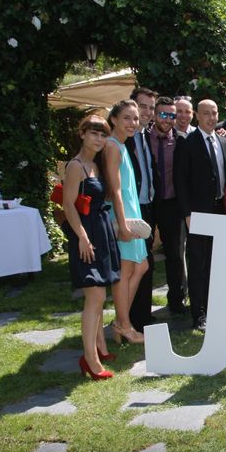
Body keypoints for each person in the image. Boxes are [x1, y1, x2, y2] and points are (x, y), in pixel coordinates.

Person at [63, 115, 120, 380]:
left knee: (100, 294)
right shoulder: (75, 166)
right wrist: (83, 238)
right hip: (86, 234)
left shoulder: (95, 164)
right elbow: (68, 206)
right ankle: (90, 360)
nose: (99, 139)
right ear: (82, 133)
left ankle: (100, 347)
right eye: (94, 133)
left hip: (101, 230)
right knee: (95, 297)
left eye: (103, 135)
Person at [174, 99, 226, 330]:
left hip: (220, 210)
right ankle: (199, 314)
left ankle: (215, 307)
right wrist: (187, 213)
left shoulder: (223, 141)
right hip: (197, 212)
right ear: (197, 115)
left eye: (215, 113)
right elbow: (180, 181)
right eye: (206, 113)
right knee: (197, 263)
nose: (211, 117)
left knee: (216, 262)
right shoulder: (187, 143)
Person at [104, 99, 148, 344]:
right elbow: (116, 190)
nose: (133, 123)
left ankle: (120, 322)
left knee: (140, 266)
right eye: (127, 118)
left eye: (135, 118)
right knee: (126, 270)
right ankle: (125, 325)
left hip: (132, 213)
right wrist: (122, 224)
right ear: (114, 120)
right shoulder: (112, 146)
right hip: (123, 215)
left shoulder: (120, 145)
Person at [146, 97, 188, 315]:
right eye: (163, 114)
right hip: (149, 203)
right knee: (145, 254)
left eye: (172, 115)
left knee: (174, 254)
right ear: (155, 115)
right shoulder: (143, 139)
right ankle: (143, 304)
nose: (168, 119)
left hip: (172, 203)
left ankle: (176, 299)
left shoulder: (181, 141)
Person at [125, 86, 158, 333]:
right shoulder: (123, 139)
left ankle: (142, 317)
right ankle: (128, 321)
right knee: (132, 265)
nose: (147, 112)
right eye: (143, 106)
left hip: (147, 206)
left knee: (146, 264)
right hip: (129, 209)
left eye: (150, 108)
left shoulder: (146, 135)